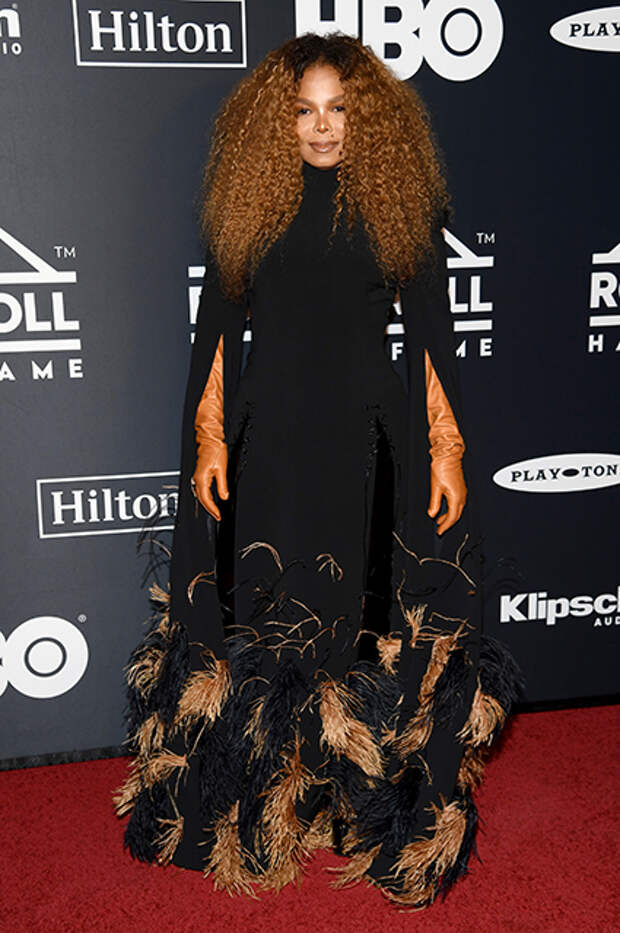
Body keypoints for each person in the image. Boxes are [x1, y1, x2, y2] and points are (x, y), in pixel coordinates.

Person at [113, 32, 522, 909]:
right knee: (269, 613)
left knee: (359, 618)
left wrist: (446, 449)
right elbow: (216, 332)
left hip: (368, 442)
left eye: (339, 109)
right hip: (268, 438)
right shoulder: (249, 205)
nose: (323, 127)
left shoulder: (396, 204)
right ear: (279, 121)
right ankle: (266, 807)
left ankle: (355, 803)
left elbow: (433, 336)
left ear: (366, 119)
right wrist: (210, 440)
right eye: (304, 110)